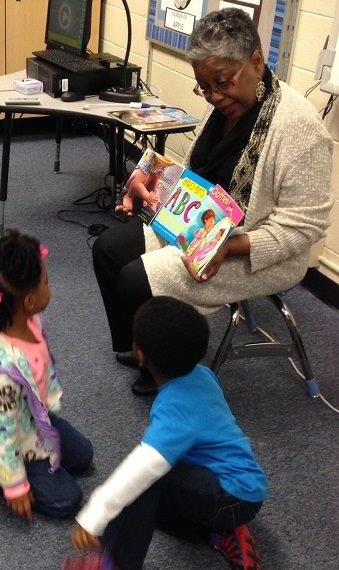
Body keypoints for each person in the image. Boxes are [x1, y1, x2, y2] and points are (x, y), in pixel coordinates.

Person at [92, 8, 333, 396]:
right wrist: (147, 175)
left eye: (221, 84)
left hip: (256, 246)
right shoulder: (226, 103)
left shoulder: (300, 129)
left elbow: (303, 229)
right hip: (205, 224)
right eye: (204, 87)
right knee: (107, 249)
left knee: (137, 278)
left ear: (256, 61)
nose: (214, 96)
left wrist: (230, 244)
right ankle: (139, 348)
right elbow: (193, 169)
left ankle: (164, 370)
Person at [70, 296, 267, 570]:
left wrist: (96, 512)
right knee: (141, 502)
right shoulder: (202, 374)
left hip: (232, 496)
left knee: (141, 484)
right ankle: (222, 531)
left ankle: (114, 564)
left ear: (139, 354)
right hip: (242, 486)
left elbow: (142, 469)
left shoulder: (175, 410)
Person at [0, 229, 93, 520]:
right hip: (8, 434)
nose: (49, 287)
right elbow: (2, 431)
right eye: (46, 283)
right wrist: (15, 486)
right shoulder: (1, 373)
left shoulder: (29, 319)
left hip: (33, 417)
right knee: (68, 501)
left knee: (84, 456)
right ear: (28, 301)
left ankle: (34, 457)